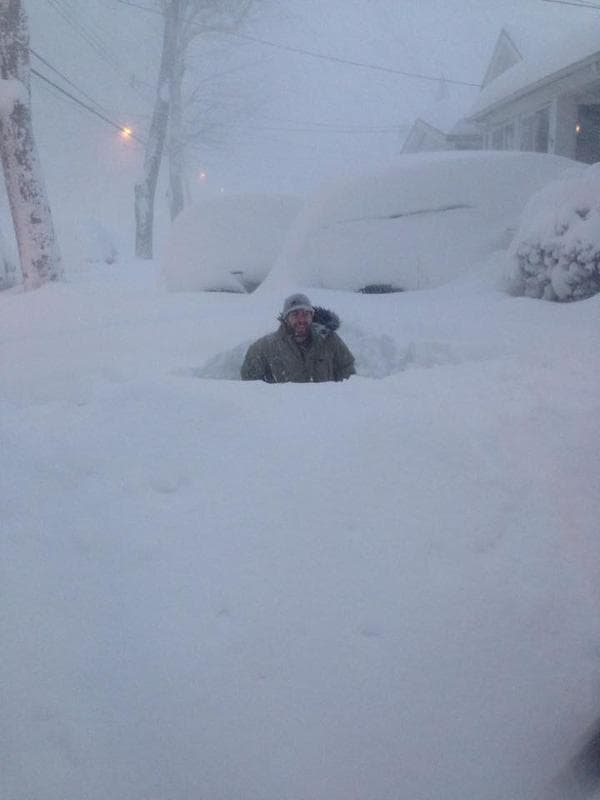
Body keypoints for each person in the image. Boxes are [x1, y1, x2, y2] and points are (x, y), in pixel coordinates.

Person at [240, 293, 355, 383]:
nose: (301, 320)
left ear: (312, 316)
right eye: (295, 314)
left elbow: (348, 372)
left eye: (306, 314)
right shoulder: (263, 348)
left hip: (325, 410)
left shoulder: (330, 340)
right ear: (285, 318)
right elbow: (250, 386)